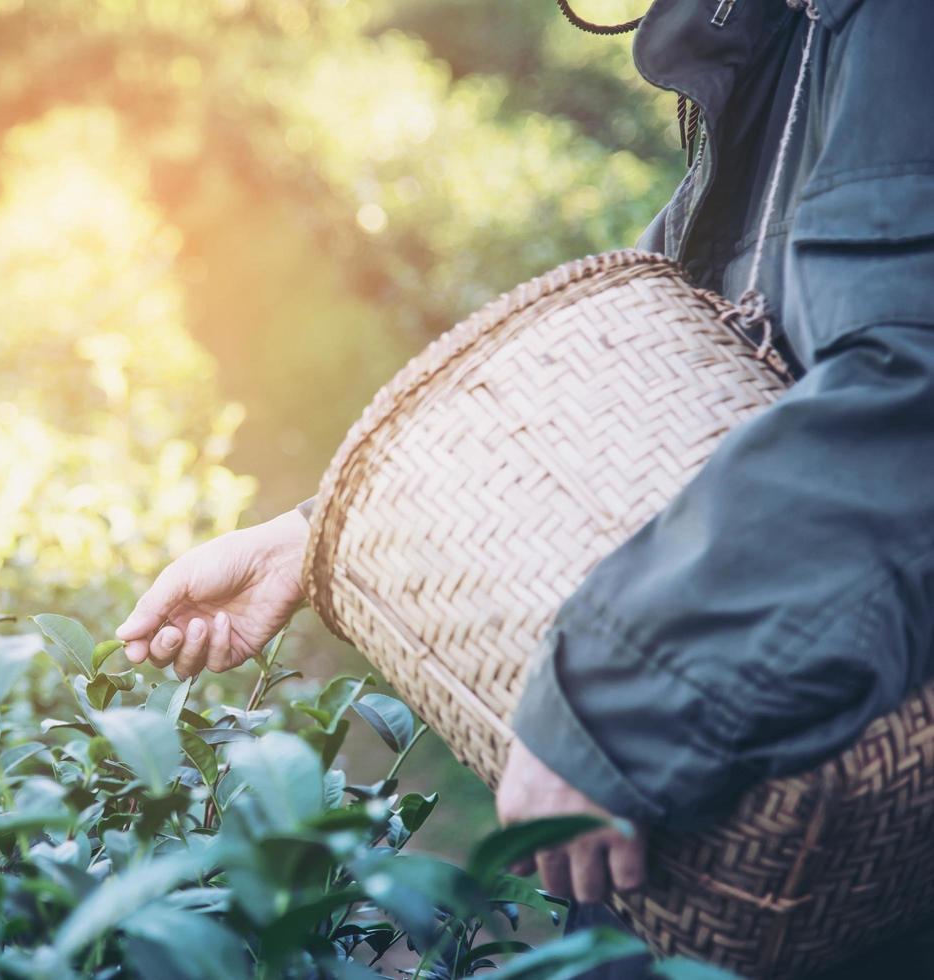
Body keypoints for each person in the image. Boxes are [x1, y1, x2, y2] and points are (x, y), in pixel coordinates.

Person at [119, 0, 934, 974]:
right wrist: (319, 531)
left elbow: (908, 382)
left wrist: (614, 697)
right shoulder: (776, 28)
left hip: (830, 792)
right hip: (724, 746)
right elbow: (683, 336)